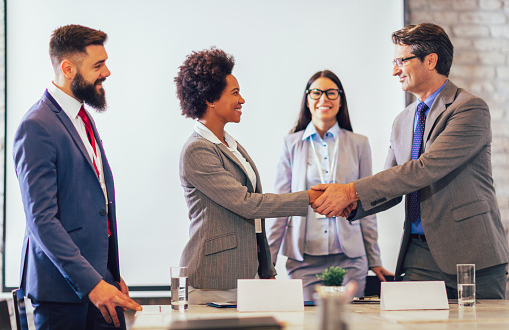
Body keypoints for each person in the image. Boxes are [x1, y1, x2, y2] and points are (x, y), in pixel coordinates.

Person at [312, 23, 509, 299]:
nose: (394, 70)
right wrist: (352, 205)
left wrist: (349, 191)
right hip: (418, 256)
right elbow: (393, 186)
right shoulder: (402, 120)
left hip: (472, 255)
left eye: (400, 61)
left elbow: (424, 169)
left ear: (430, 60)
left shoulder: (469, 109)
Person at [13, 24, 142, 329]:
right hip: (64, 296)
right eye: (98, 65)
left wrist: (109, 273)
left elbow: (91, 205)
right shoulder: (37, 126)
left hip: (99, 284)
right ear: (68, 69)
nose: (107, 72)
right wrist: (93, 283)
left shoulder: (82, 119)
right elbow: (42, 220)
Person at [174, 48, 322, 304]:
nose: (242, 100)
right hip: (215, 280)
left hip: (245, 276)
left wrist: (266, 270)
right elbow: (248, 204)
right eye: (235, 93)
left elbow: (254, 221)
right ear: (210, 98)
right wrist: (307, 198)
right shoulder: (197, 150)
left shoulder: (230, 145)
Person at [266, 70, 392, 300]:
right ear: (307, 100)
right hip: (303, 260)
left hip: (350, 259)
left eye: (331, 93)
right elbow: (280, 207)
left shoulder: (359, 144)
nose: (324, 99)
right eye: (316, 93)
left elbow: (367, 207)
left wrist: (374, 260)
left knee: (350, 321)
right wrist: (268, 263)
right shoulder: (290, 144)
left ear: (341, 99)